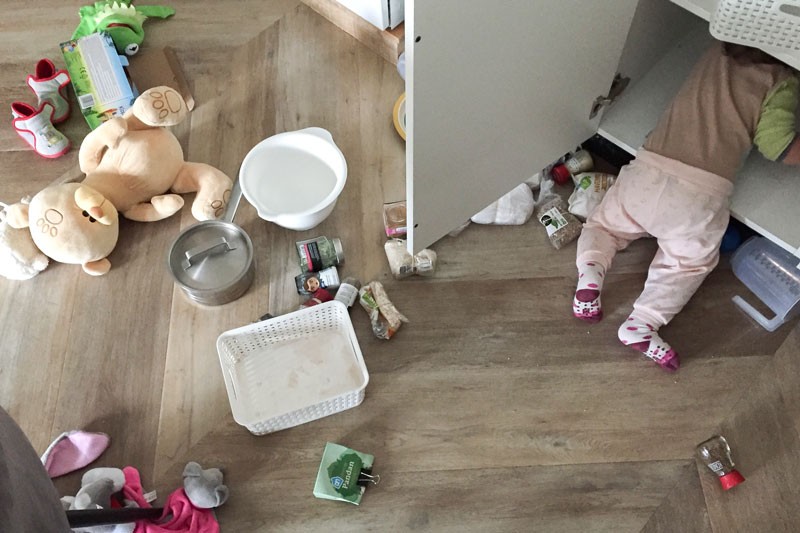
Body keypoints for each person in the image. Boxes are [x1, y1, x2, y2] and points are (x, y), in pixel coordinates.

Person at [572, 40, 800, 372]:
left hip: (647, 172)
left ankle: (591, 273)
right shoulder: (781, 80)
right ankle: (642, 323)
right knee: (686, 264)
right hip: (699, 197)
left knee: (603, 226)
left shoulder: (715, 52)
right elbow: (777, 146)